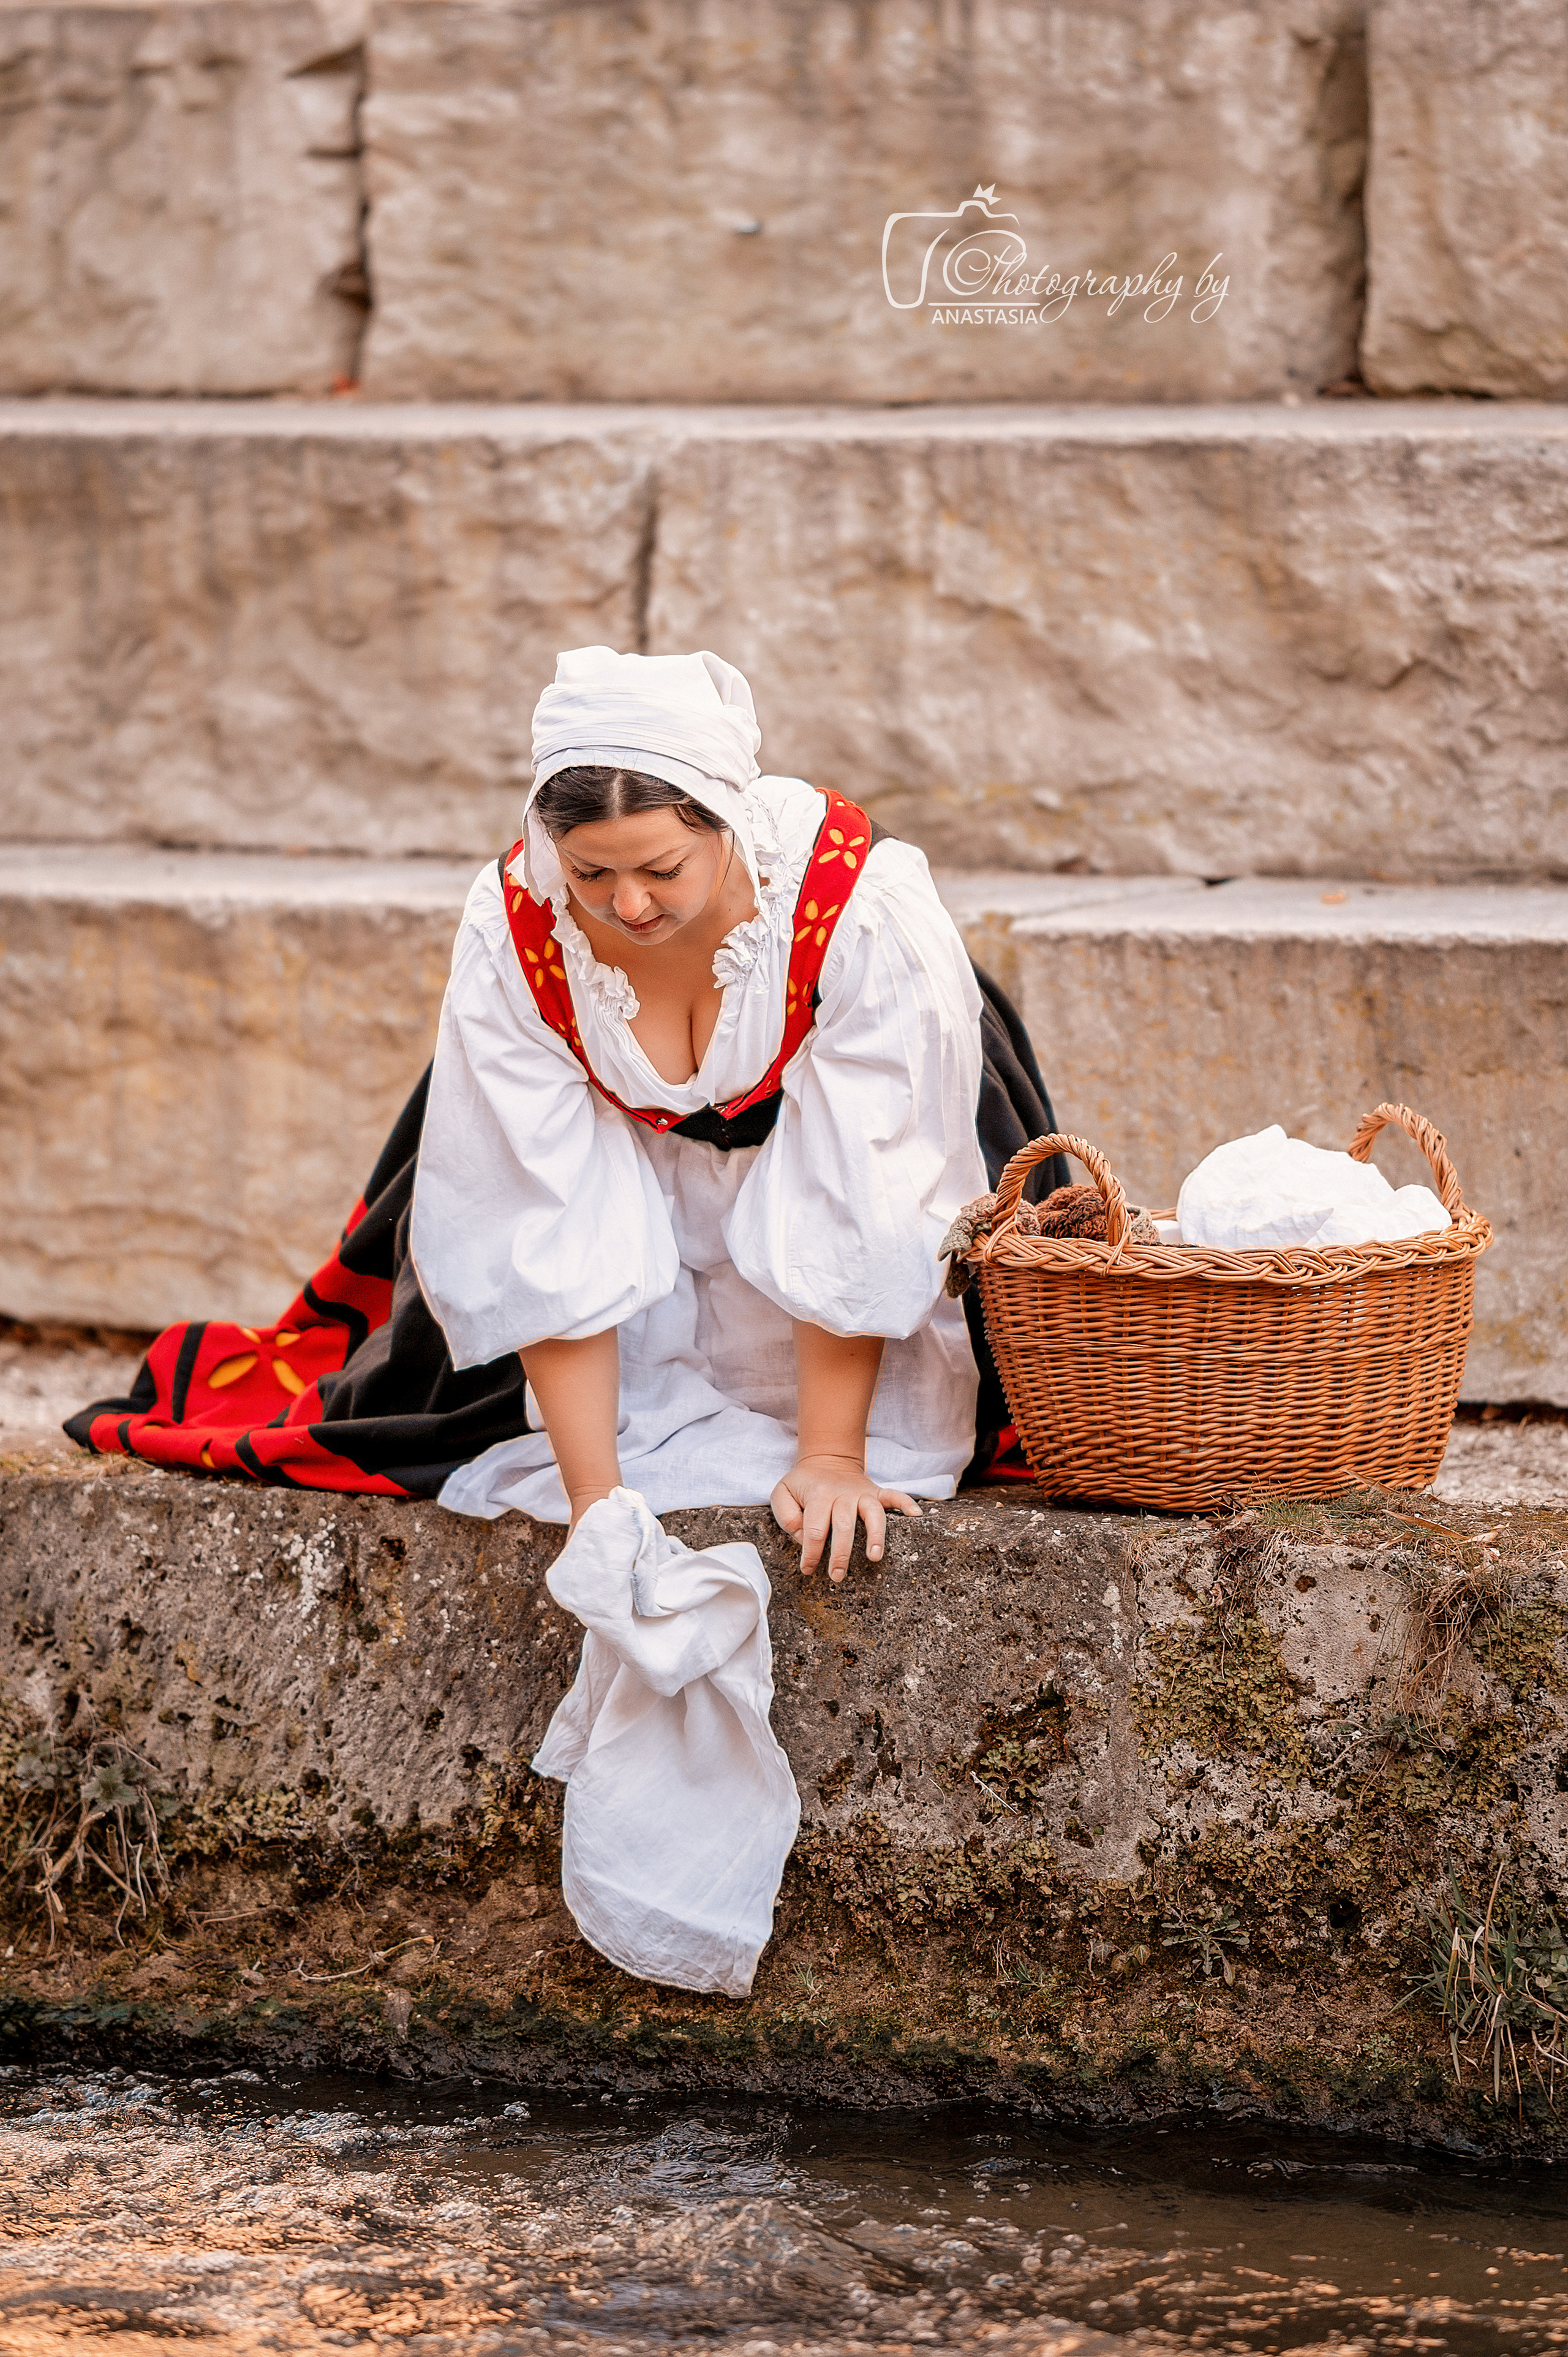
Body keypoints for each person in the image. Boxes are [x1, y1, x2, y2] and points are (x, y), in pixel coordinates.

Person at [68, 648, 1066, 1581]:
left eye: (662, 869)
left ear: (726, 818)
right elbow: (543, 1214)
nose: (627, 906)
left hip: (849, 1191)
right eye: (593, 874)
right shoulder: (518, 930)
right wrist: (596, 1505)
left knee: (903, 1425)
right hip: (631, 1195)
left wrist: (834, 1458)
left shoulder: (859, 909)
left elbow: (865, 1197)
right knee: (536, 1436)